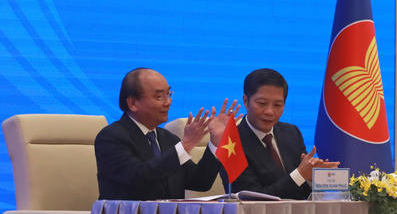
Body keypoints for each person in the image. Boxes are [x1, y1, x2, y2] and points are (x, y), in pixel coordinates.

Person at [95, 67, 240, 200]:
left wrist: (215, 142)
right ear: (133, 103)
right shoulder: (111, 137)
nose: (168, 102)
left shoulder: (168, 138)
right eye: (159, 97)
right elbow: (139, 178)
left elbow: (200, 182)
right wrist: (186, 145)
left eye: (169, 94)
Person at [224, 68, 339, 199]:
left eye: (277, 105)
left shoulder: (292, 133)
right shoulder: (230, 143)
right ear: (246, 101)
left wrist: (315, 176)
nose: (269, 111)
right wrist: (300, 174)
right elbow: (249, 198)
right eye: (262, 103)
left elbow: (301, 187)